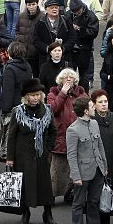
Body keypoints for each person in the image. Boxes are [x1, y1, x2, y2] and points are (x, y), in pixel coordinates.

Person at [3, 77, 58, 224]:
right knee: (25, 186)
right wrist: (10, 158)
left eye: (38, 94)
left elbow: (53, 131)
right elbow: (12, 135)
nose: (35, 98)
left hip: (41, 155)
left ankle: (48, 213)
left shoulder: (46, 110)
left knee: (45, 185)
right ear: (26, 96)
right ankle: (25, 213)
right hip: (23, 156)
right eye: (32, 95)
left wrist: (48, 148)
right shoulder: (18, 112)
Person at [66, 96, 109, 224]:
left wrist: (104, 167)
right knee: (78, 202)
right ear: (85, 111)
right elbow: (71, 155)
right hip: (83, 172)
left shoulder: (95, 123)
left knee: (94, 200)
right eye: (92, 106)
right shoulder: (73, 130)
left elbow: (100, 145)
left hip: (97, 169)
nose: (94, 108)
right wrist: (76, 176)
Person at [47, 68, 86, 201]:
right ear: (60, 80)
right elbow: (53, 110)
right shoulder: (53, 93)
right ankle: (50, 195)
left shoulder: (81, 93)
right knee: (56, 169)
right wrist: (62, 94)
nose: (69, 79)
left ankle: (70, 194)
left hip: (77, 136)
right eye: (66, 77)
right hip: (60, 136)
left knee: (73, 168)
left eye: (71, 77)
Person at [92, 90, 113, 224]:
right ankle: (95, 220)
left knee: (110, 188)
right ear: (94, 104)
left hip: (112, 158)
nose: (104, 104)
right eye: (100, 102)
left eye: (105, 101)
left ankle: (107, 218)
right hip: (96, 159)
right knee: (96, 189)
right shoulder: (91, 119)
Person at [65, 0, 99, 90]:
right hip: (71, 48)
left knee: (85, 74)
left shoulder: (91, 16)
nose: (76, 13)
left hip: (85, 48)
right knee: (70, 73)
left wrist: (80, 29)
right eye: (74, 12)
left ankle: (84, 90)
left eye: (78, 11)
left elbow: (93, 32)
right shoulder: (68, 15)